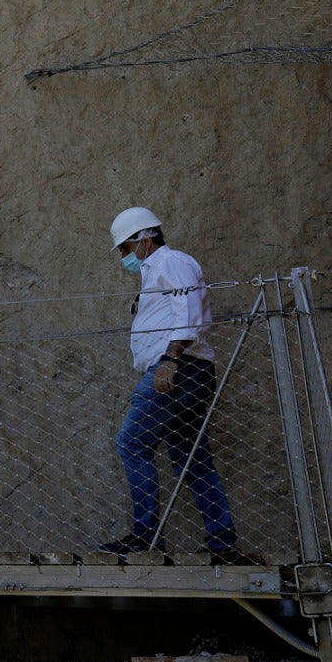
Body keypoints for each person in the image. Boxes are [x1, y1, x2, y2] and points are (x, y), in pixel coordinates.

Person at [100, 207, 240, 563]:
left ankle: (146, 536)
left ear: (144, 239)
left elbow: (188, 310)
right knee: (191, 459)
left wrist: (170, 359)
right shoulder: (155, 269)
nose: (124, 257)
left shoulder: (171, 262)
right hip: (188, 371)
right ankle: (222, 541)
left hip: (178, 370)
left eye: (125, 249)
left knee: (131, 442)